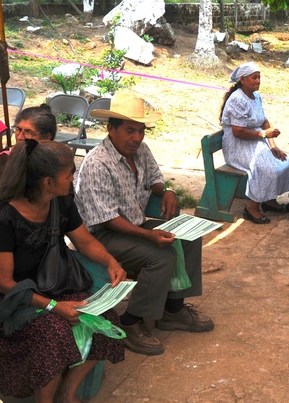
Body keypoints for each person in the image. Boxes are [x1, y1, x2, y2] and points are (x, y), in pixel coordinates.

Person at [0, 140, 126, 403]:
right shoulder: (3, 217)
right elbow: (4, 283)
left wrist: (110, 261)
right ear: (47, 182)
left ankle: (68, 398)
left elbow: (84, 240)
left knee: (104, 322)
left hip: (55, 286)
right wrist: (52, 307)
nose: (73, 179)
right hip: (13, 300)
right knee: (53, 335)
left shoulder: (61, 201)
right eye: (69, 174)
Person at [75, 90, 214, 357]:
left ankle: (172, 309)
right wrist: (149, 236)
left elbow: (155, 178)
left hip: (132, 228)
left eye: (141, 131)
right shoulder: (97, 163)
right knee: (159, 256)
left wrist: (169, 190)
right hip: (103, 236)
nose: (136, 138)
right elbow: (108, 219)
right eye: (129, 131)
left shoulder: (140, 151)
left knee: (189, 238)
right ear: (111, 129)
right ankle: (131, 321)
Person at [220, 62, 289, 223]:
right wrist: (262, 134)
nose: (258, 81)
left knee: (285, 163)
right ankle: (252, 208)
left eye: (259, 77)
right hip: (237, 146)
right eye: (254, 78)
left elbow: (264, 121)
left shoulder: (256, 96)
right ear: (243, 79)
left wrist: (273, 146)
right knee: (266, 168)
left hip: (255, 141)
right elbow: (237, 132)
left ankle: (269, 199)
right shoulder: (237, 99)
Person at [0, 104, 57, 204]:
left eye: (28, 132)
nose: (20, 137)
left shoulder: (59, 161)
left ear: (47, 137)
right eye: (18, 129)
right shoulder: (5, 160)